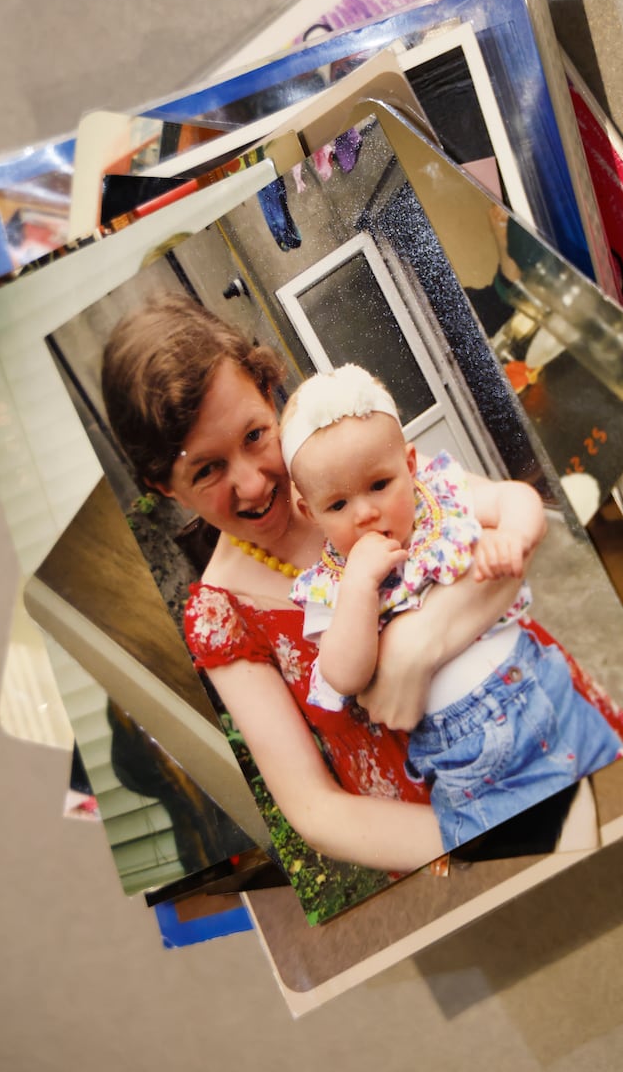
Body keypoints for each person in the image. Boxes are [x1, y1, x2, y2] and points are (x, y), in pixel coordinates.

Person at [101, 295, 533, 872]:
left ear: (269, 393)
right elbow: (314, 809)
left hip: (539, 726)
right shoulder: (222, 615)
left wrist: (414, 646)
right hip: (445, 841)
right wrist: (478, 839)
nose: (254, 484)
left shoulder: (354, 458)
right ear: (164, 488)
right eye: (207, 470)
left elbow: (507, 536)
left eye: (255, 435)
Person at [280, 364, 623, 849]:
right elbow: (344, 675)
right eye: (337, 505)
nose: (365, 513)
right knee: (546, 855)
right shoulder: (329, 587)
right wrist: (359, 587)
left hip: (545, 688)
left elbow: (516, 497)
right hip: (475, 760)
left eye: (379, 485)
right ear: (310, 512)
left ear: (410, 465)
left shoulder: (439, 500)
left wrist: (512, 536)